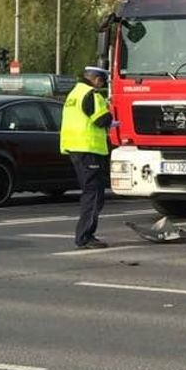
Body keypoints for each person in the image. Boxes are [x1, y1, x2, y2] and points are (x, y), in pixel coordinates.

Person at [60, 66, 114, 249]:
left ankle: (85, 235)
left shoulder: (74, 94)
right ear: (97, 79)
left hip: (74, 148)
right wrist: (110, 113)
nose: (102, 84)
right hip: (89, 148)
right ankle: (85, 236)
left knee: (89, 191)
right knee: (94, 193)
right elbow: (102, 120)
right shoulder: (92, 94)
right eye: (102, 81)